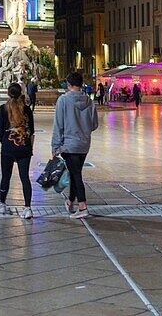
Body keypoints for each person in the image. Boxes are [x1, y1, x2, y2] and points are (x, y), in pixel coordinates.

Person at [51, 71, 99, 219]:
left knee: (76, 174)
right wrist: (83, 129)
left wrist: (55, 146)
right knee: (74, 173)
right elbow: (94, 124)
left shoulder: (63, 100)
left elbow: (58, 125)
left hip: (69, 145)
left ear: (69, 84)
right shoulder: (89, 101)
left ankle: (83, 206)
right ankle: (71, 202)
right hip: (84, 144)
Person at [0, 82, 35, 218]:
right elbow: (32, 130)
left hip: (8, 148)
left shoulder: (3, 109)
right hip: (24, 147)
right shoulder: (27, 109)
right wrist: (29, 147)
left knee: (6, 176)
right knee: (25, 178)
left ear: (8, 93)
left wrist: (5, 142)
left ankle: (2, 204)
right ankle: (27, 208)